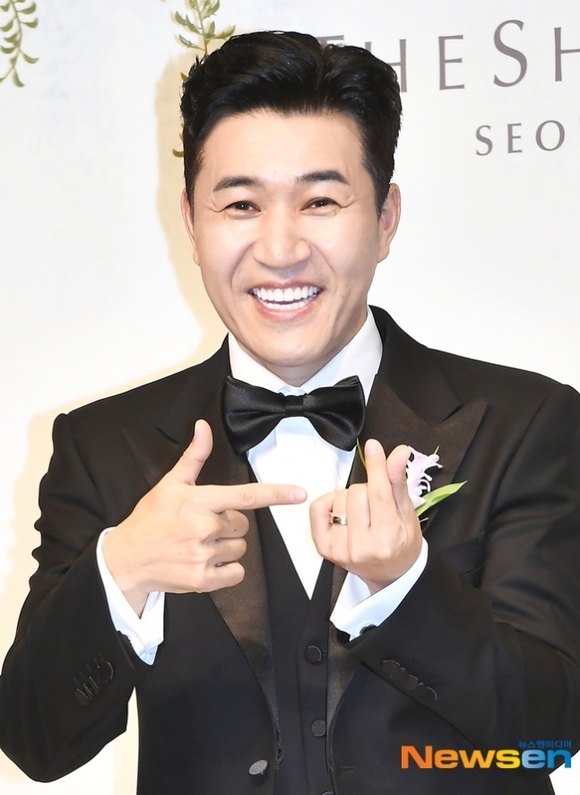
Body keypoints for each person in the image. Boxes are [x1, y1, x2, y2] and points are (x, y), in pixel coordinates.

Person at [1, 30, 580, 795]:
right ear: (191, 221)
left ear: (385, 218)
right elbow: (35, 740)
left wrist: (408, 585)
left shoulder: (526, 422)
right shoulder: (102, 445)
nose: (279, 248)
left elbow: (551, 735)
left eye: (321, 201)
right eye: (241, 204)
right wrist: (125, 568)